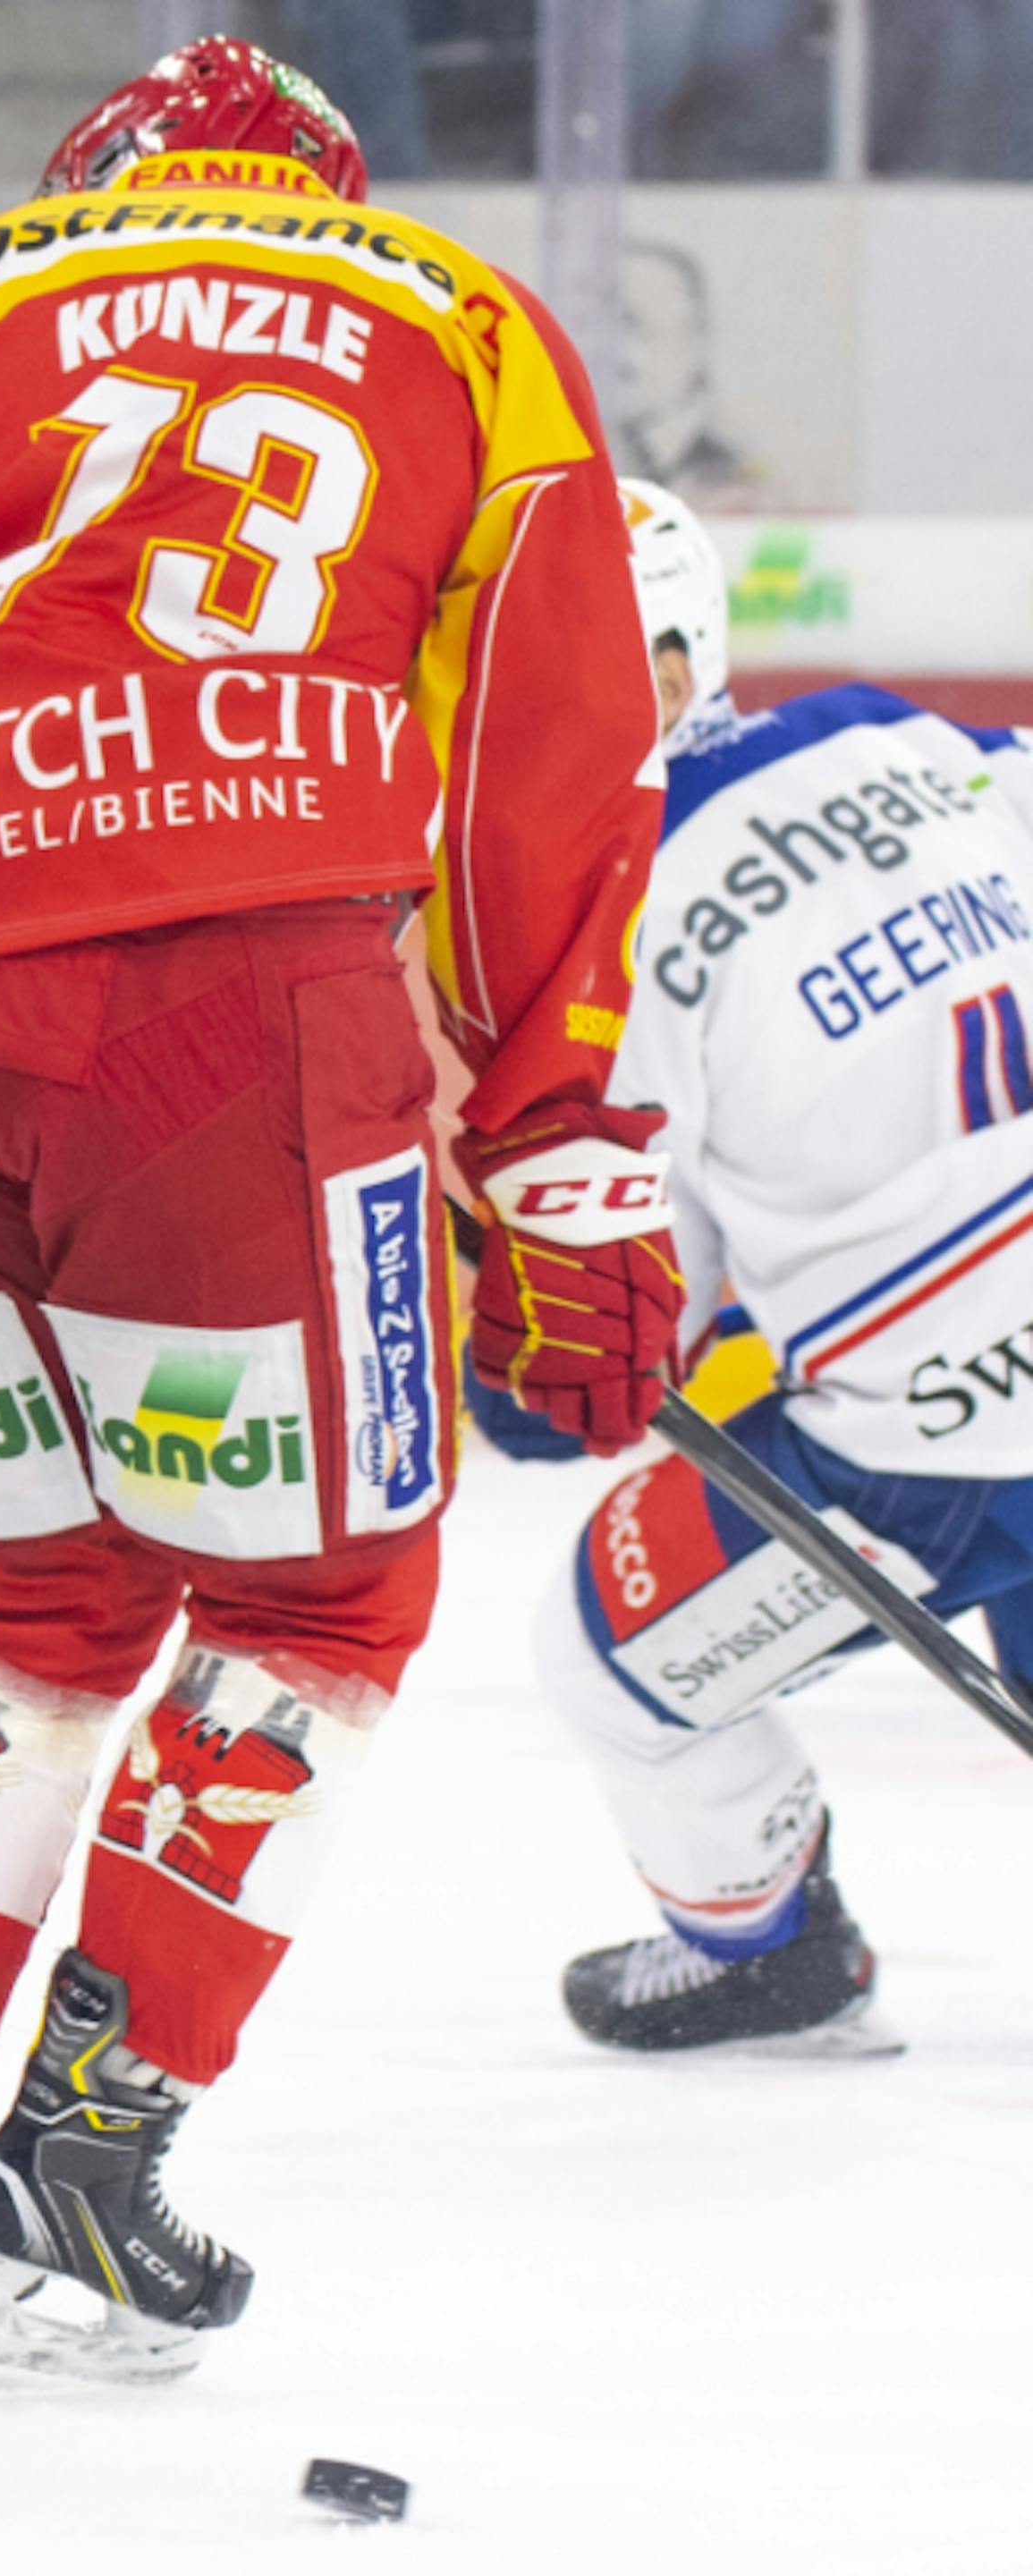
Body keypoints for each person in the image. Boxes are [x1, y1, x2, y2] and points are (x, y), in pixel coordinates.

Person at [0, 38, 674, 2387]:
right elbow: (543, 743)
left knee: (34, 1592)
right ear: (322, 184)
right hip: (229, 1007)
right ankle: (86, 2173)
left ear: (93, 181)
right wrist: (551, 1147)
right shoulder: (466, 315)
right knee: (323, 1597)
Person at [492, 484, 1033, 2055]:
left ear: (665, 671)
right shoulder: (908, 739)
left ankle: (770, 1953)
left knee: (597, 1660)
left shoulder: (601, 927)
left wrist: (513, 1371)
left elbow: (613, 1334)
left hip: (922, 1461)